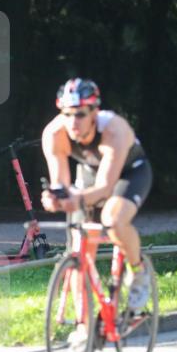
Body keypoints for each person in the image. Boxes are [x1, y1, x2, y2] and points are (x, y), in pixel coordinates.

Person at [40, 78, 153, 310]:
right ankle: (85, 327)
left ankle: (138, 272)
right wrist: (55, 198)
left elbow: (104, 188)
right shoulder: (54, 133)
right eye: (67, 114)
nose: (73, 122)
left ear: (94, 112)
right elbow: (61, 183)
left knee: (113, 220)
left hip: (129, 173)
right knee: (79, 253)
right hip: (91, 171)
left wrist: (77, 199)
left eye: (80, 114)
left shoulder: (114, 130)